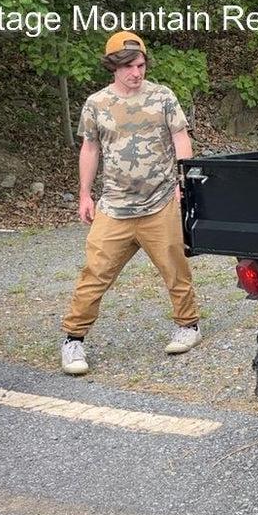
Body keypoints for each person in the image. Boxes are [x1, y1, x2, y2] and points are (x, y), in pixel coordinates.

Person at [59, 31, 202, 375]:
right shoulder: (97, 104)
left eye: (140, 65)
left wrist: (183, 181)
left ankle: (188, 326)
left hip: (161, 202)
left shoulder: (162, 96)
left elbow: (180, 138)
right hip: (115, 207)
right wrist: (84, 194)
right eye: (128, 67)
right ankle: (73, 340)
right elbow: (90, 149)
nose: (136, 72)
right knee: (94, 274)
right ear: (114, 67)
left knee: (175, 268)